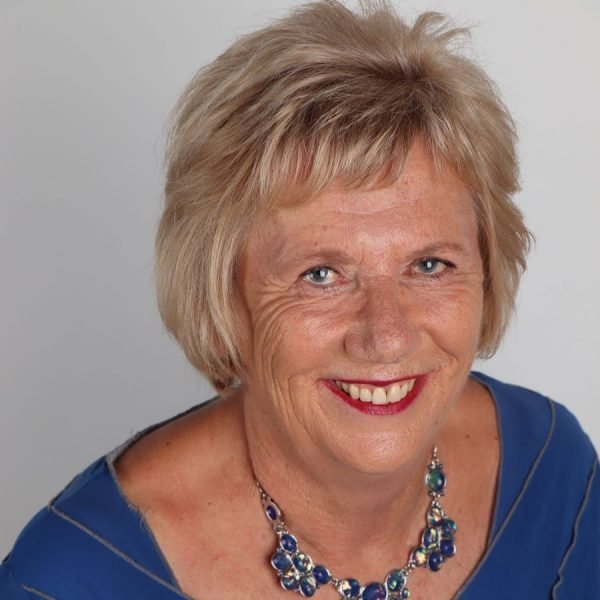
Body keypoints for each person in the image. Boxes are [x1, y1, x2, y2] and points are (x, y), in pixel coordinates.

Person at [1, 1, 598, 598]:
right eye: (321, 274)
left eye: (428, 265)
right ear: (221, 295)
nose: (386, 336)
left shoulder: (555, 474)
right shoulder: (67, 580)